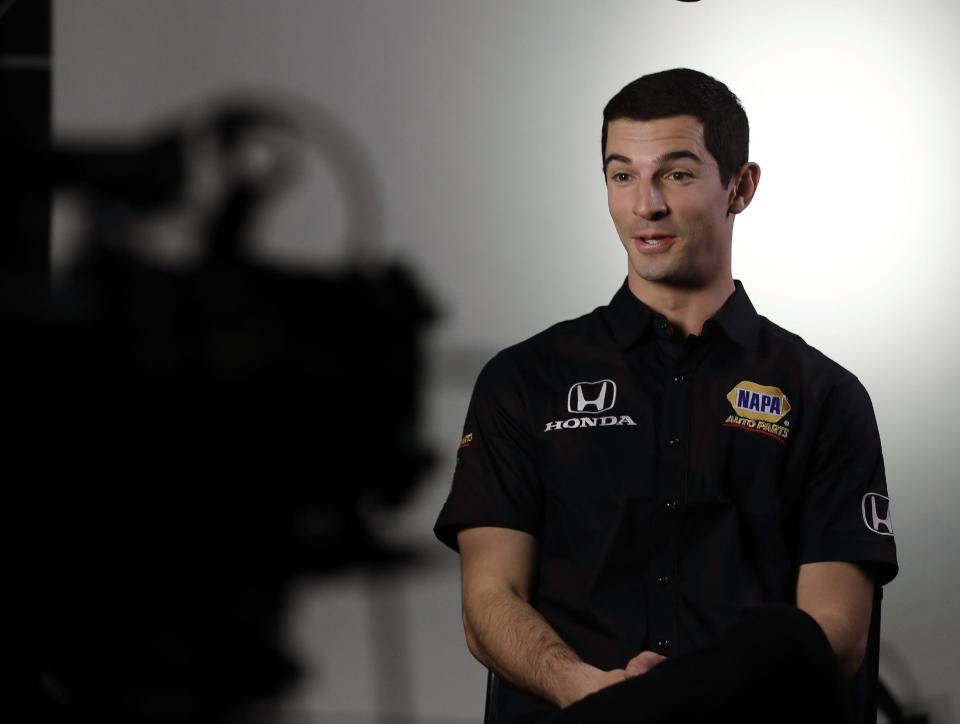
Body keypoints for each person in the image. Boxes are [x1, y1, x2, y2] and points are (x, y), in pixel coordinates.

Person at [433, 68, 898, 723]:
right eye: (622, 175)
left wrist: (666, 704)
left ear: (741, 187)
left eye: (676, 175)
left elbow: (834, 634)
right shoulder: (523, 380)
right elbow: (489, 602)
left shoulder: (826, 395)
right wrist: (590, 695)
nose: (645, 205)